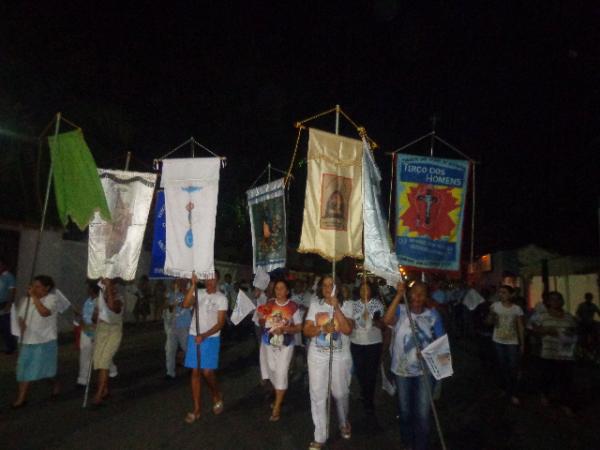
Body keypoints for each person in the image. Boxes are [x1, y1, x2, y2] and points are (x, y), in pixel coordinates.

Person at [383, 281, 445, 450]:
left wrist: (427, 351)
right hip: (402, 372)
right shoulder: (401, 310)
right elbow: (387, 320)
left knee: (423, 414)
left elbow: (442, 345)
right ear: (409, 294)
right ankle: (408, 444)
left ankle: (421, 446)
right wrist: (398, 295)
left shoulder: (433, 315)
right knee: (405, 412)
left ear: (426, 297)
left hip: (425, 373)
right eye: (414, 293)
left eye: (421, 294)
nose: (417, 296)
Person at [303, 275, 354, 449]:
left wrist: (336, 308)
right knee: (317, 395)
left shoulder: (347, 304)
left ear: (337, 288)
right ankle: (320, 435)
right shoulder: (315, 304)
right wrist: (322, 328)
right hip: (317, 356)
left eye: (331, 285)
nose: (327, 288)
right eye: (324, 285)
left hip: (340, 356)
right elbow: (307, 330)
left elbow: (347, 330)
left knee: (341, 394)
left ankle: (343, 421)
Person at [12, 275, 64, 407]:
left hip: (44, 340)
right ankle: (21, 398)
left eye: (37, 286)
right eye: (33, 286)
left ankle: (55, 383)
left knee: (46, 371)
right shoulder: (26, 300)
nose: (34, 289)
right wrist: (21, 325)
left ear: (47, 288)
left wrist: (34, 298)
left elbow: (44, 312)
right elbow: (20, 316)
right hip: (27, 340)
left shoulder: (52, 299)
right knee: (23, 369)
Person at [182, 270, 227, 424]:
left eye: (213, 279)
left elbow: (221, 323)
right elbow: (185, 304)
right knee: (195, 372)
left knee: (207, 372)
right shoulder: (199, 292)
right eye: (208, 279)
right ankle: (197, 409)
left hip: (211, 338)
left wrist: (205, 335)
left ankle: (216, 393)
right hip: (194, 336)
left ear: (218, 280)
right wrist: (193, 285)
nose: (210, 282)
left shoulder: (222, 298)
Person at [257, 279, 303, 421]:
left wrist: (285, 329)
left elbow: (299, 327)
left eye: (282, 288)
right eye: (277, 288)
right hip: (268, 344)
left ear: (287, 291)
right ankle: (279, 394)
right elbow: (261, 321)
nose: (279, 291)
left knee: (281, 373)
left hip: (285, 344)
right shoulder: (269, 304)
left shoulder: (293, 306)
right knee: (271, 369)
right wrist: (264, 320)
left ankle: (277, 406)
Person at [531, 291, 578, 415]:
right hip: (549, 351)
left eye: (558, 299)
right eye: (553, 299)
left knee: (566, 379)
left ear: (562, 301)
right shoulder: (541, 315)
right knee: (548, 376)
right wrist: (544, 330)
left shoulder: (568, 316)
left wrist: (570, 333)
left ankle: (565, 403)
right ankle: (545, 394)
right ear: (548, 302)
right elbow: (531, 326)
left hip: (565, 352)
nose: (556, 302)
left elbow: (575, 329)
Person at [346, 279, 385, 417]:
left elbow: (382, 324)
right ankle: (364, 393)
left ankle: (369, 401)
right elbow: (350, 322)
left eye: (367, 289)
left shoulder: (377, 304)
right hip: (357, 343)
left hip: (373, 344)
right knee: (360, 372)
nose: (364, 291)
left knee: (371, 374)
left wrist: (375, 321)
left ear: (371, 290)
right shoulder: (353, 305)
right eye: (362, 289)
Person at [487, 284, 524, 405]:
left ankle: (514, 392)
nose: (501, 295)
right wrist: (492, 315)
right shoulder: (495, 306)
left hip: (512, 341)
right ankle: (504, 388)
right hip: (498, 340)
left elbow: (520, 326)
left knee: (513, 367)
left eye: (504, 292)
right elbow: (488, 322)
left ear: (511, 294)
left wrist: (522, 343)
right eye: (500, 292)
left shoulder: (516, 309)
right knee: (502, 366)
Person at [77, 283, 117, 387]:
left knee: (100, 355)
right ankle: (83, 379)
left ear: (93, 290)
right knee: (85, 355)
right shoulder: (88, 301)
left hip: (96, 332)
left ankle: (112, 369)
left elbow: (102, 318)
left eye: (89, 288)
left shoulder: (100, 302)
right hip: (85, 331)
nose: (87, 290)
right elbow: (85, 315)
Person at [92, 278, 123, 406]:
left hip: (113, 332)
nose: (112, 289)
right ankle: (104, 389)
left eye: (113, 287)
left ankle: (99, 394)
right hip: (101, 332)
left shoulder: (120, 299)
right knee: (99, 362)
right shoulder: (98, 300)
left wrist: (109, 290)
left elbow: (112, 307)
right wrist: (96, 314)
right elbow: (94, 319)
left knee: (104, 361)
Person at [164, 279, 191, 379]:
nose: (177, 284)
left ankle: (193, 368)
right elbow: (167, 307)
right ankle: (170, 373)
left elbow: (188, 304)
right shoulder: (170, 294)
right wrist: (170, 304)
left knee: (187, 348)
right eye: (176, 282)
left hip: (183, 326)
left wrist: (179, 301)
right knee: (169, 350)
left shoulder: (188, 293)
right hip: (172, 326)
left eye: (180, 282)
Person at [0, 259, 17, 354]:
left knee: (6, 327)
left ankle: (11, 347)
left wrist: (9, 304)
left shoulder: (8, 277)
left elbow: (12, 291)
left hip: (4, 304)